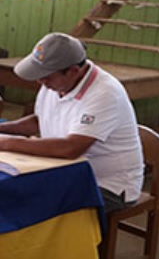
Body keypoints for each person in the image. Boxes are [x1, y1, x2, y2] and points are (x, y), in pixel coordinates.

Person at [0, 32, 143, 213]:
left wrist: (6, 142)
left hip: (106, 185)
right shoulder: (56, 83)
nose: (41, 81)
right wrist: (2, 128)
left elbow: (71, 148)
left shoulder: (105, 93)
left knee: (34, 207)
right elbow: (39, 120)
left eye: (47, 77)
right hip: (65, 170)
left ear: (73, 71)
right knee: (13, 192)